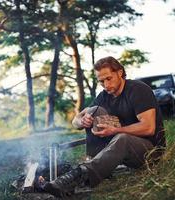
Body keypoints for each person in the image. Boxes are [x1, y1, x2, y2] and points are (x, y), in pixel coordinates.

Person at [43, 56, 166, 197]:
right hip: (121, 149)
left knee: (122, 138)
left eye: (109, 79)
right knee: (92, 111)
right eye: (101, 81)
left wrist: (116, 130)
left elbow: (148, 127)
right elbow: (75, 121)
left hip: (150, 152)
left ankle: (81, 176)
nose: (106, 85)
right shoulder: (105, 95)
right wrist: (82, 121)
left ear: (120, 73)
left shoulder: (138, 90)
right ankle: (95, 161)